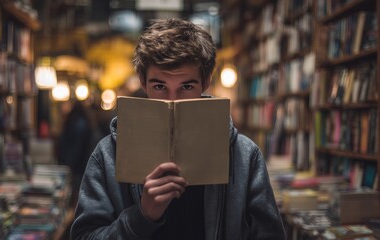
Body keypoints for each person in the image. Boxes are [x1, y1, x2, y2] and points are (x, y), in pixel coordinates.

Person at [71, 18, 286, 239]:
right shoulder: (107, 155)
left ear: (205, 82)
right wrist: (142, 216)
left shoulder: (244, 155)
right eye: (160, 86)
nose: (173, 100)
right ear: (143, 84)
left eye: (186, 86)